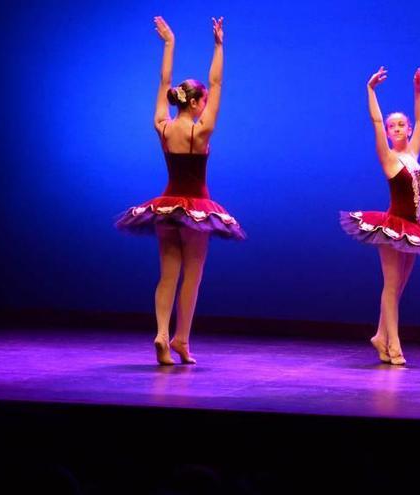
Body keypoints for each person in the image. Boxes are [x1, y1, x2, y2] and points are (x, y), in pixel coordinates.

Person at [116, 16, 243, 365]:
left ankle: (160, 332)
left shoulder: (163, 125)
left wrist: (169, 43)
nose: (206, 103)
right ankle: (181, 339)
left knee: (168, 273)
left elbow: (163, 81)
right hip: (197, 209)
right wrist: (219, 45)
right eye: (203, 100)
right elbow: (216, 83)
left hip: (166, 206)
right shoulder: (201, 130)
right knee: (194, 275)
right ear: (196, 102)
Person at [339, 66, 420, 365]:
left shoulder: (413, 154)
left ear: (408, 129)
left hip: (413, 227)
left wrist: (418, 90)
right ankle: (394, 345)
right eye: (393, 126)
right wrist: (370, 90)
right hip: (391, 226)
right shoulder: (388, 158)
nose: (398, 129)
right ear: (389, 133)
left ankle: (379, 335)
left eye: (402, 125)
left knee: (398, 288)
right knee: (390, 285)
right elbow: (375, 120)